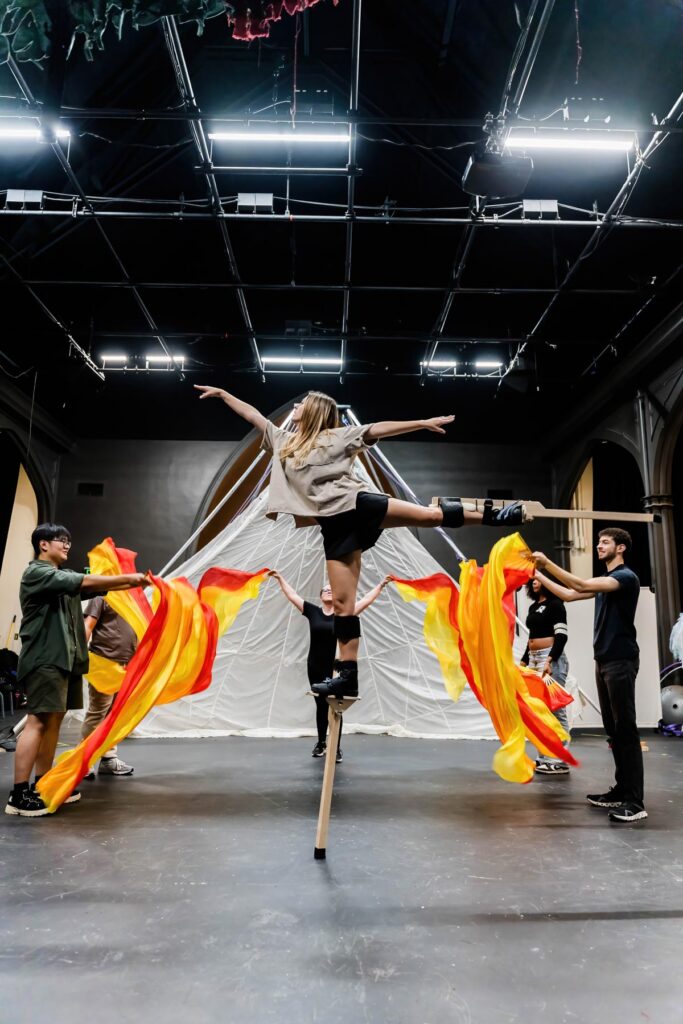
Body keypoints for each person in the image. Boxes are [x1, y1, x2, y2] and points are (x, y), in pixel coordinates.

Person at [196, 386, 527, 700]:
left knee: (428, 516)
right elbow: (253, 415)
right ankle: (348, 674)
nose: (295, 407)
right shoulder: (283, 441)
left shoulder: (337, 437)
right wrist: (224, 394)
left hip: (360, 506)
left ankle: (497, 515)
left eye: (301, 404)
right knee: (343, 606)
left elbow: (376, 428)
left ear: (313, 411)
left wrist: (421, 423)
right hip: (334, 528)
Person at [5, 524, 148, 818]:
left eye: (69, 540)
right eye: (62, 540)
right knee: (37, 721)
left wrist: (129, 581)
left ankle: (43, 785)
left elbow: (95, 585)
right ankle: (18, 795)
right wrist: (130, 578)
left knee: (53, 723)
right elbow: (85, 581)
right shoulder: (38, 574)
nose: (67, 545)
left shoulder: (61, 579)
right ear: (43, 544)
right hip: (45, 659)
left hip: (64, 662)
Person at [533, 527, 646, 824]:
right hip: (605, 661)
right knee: (614, 731)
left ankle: (635, 802)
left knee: (626, 730)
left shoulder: (625, 577)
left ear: (620, 548)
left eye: (605, 542)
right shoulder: (606, 582)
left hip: (621, 660)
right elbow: (569, 594)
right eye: (598, 542)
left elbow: (580, 583)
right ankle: (621, 790)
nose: (599, 546)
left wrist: (546, 563)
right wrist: (537, 574)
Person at [270, 570, 389, 761]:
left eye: (331, 589)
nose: (328, 591)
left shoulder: (344, 614)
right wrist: (280, 578)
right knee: (320, 705)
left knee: (336, 705)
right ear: (320, 596)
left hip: (335, 668)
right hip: (314, 665)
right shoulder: (313, 611)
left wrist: (381, 585)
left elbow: (366, 601)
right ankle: (321, 743)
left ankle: (336, 747)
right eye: (325, 590)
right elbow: (292, 595)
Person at [81, 597, 137, 779]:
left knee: (113, 714)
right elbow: (88, 625)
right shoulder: (102, 595)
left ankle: (108, 758)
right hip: (105, 662)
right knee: (98, 712)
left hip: (127, 664)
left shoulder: (132, 597)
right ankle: (83, 761)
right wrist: (79, 657)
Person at [520, 577, 570, 775]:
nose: (534, 581)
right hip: (534, 660)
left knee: (555, 709)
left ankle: (560, 759)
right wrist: (524, 661)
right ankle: (545, 755)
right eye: (532, 579)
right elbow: (531, 637)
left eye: (539, 579)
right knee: (539, 709)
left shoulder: (556, 605)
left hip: (550, 660)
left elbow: (562, 636)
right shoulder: (533, 607)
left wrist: (550, 660)